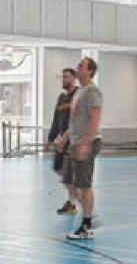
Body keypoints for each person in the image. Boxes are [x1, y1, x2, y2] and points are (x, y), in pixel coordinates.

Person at [57, 57, 102, 241]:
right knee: (69, 180)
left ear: (90, 71)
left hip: (87, 143)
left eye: (81, 66)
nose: (78, 67)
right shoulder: (79, 92)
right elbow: (76, 120)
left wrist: (86, 142)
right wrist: (66, 138)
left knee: (84, 185)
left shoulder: (93, 91)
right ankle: (89, 215)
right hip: (75, 142)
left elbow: (94, 119)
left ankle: (86, 225)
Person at [49, 68, 79, 215]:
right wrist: (51, 138)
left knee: (69, 174)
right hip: (62, 140)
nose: (63, 80)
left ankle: (74, 202)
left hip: (73, 140)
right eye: (62, 77)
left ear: (74, 78)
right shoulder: (62, 98)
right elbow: (56, 119)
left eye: (66, 77)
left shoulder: (78, 96)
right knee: (58, 169)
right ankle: (72, 198)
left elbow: (76, 121)